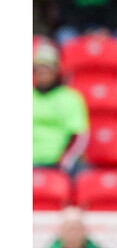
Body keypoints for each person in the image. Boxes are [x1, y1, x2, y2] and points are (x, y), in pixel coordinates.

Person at [33, 42, 89, 177]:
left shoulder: (70, 98)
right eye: (38, 70)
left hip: (58, 163)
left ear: (55, 71)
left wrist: (64, 162)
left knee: (83, 174)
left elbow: (79, 136)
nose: (43, 74)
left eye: (47, 69)